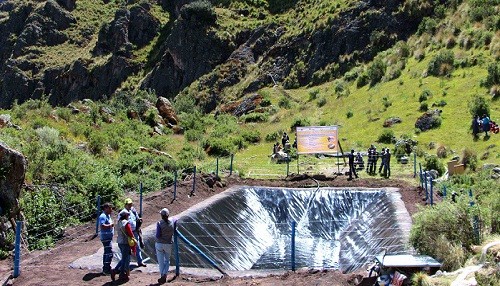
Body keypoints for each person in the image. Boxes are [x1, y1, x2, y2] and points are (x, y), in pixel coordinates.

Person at [111, 209, 136, 282]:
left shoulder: (118, 222)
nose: (128, 216)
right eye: (128, 215)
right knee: (124, 258)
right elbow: (130, 233)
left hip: (119, 242)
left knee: (125, 257)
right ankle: (119, 272)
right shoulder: (126, 223)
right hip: (125, 242)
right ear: (125, 215)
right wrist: (134, 240)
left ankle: (124, 272)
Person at [123, 198, 146, 267]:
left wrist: (139, 220)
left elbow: (137, 218)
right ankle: (127, 262)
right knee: (128, 247)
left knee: (137, 245)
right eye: (128, 204)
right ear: (125, 205)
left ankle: (140, 261)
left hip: (134, 231)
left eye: (131, 204)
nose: (130, 205)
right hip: (127, 232)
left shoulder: (133, 210)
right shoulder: (123, 212)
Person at [155, 208, 176, 284]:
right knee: (167, 260)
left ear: (161, 216)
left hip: (159, 244)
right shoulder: (172, 222)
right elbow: (175, 219)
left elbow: (157, 235)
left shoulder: (159, 223)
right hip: (168, 243)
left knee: (160, 261)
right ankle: (165, 274)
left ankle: (162, 275)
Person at [99, 202, 114, 275]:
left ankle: (107, 267)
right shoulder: (103, 216)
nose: (111, 209)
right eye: (110, 208)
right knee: (109, 253)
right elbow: (102, 226)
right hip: (105, 237)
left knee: (107, 252)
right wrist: (110, 225)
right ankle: (106, 269)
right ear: (105, 208)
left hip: (108, 237)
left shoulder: (108, 215)